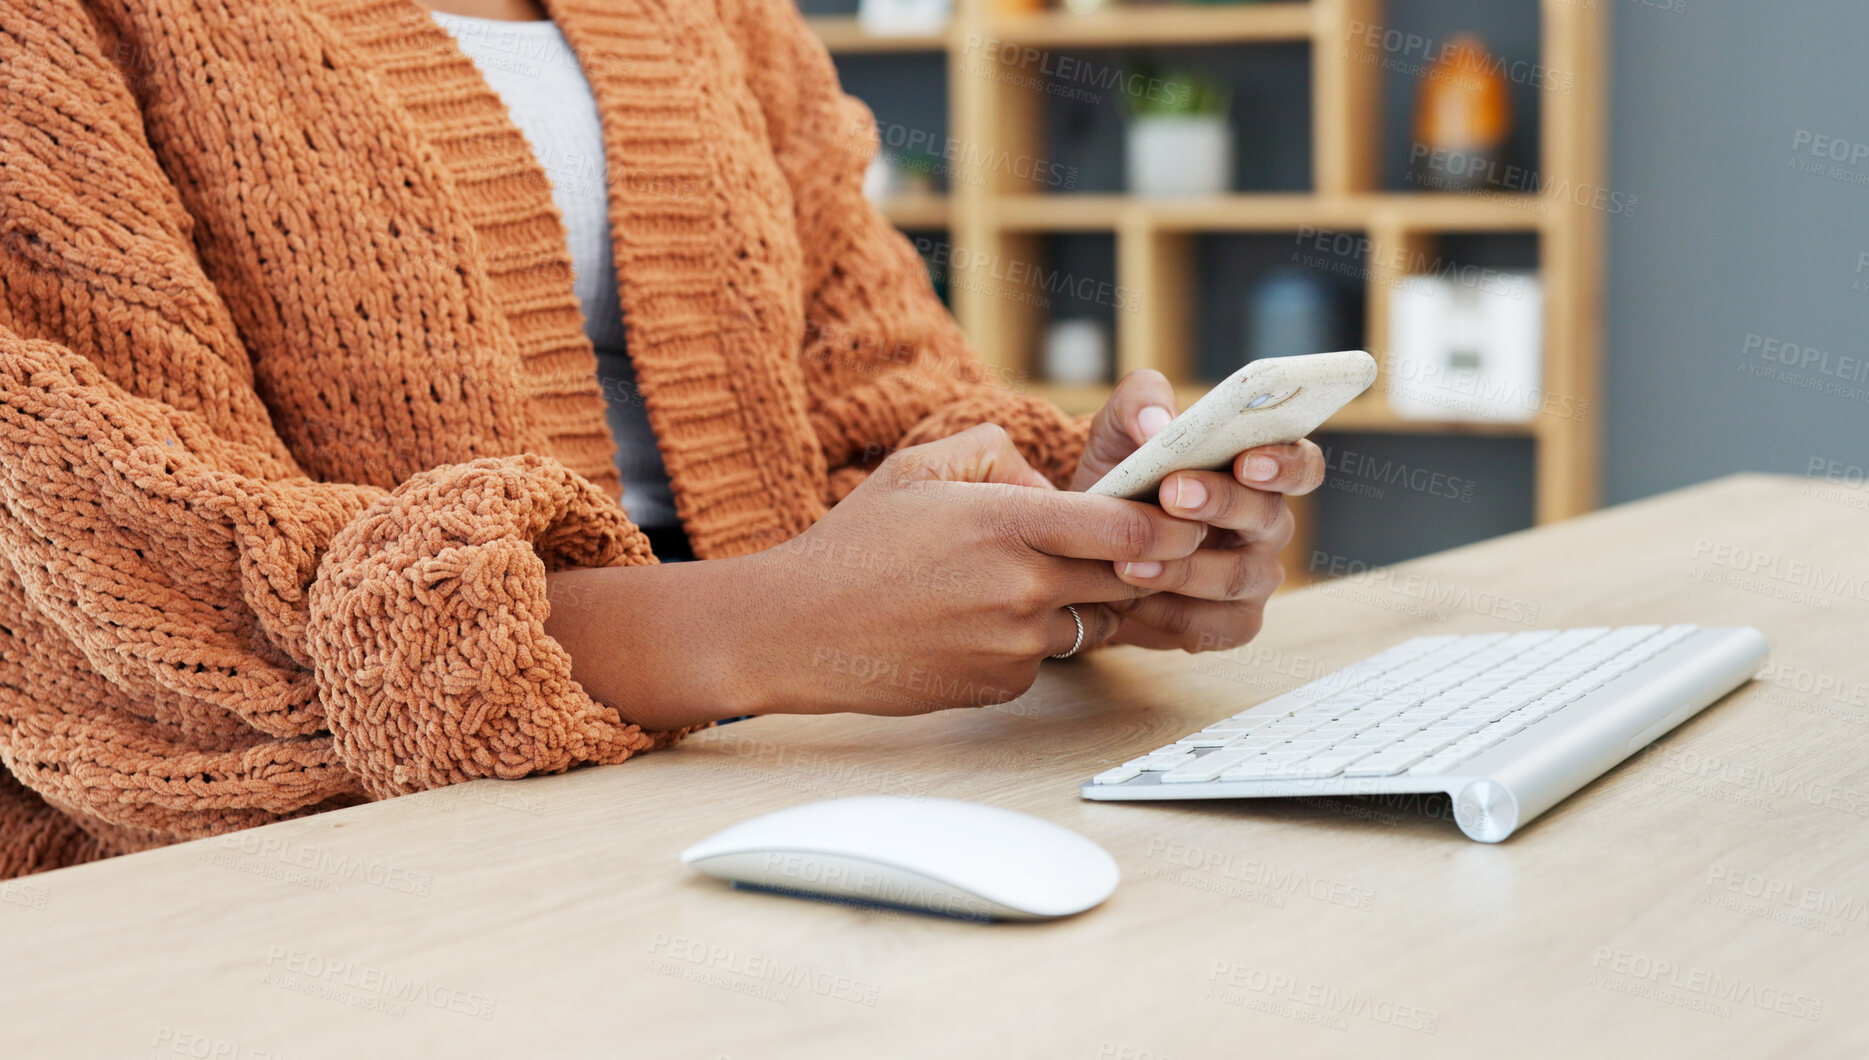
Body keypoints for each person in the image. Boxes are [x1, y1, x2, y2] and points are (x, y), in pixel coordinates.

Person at [0, 0, 1324, 877]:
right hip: (307, 875)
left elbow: (875, 378)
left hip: (769, 783)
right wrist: (764, 625)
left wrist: (1068, 541)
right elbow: (104, 596)